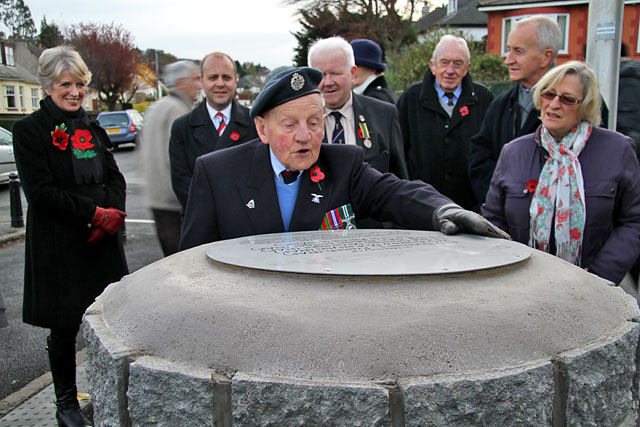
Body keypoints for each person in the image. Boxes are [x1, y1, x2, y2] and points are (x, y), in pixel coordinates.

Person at [180, 67, 509, 249]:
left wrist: (444, 210)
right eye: (290, 125)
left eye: (313, 122)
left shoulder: (342, 165)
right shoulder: (217, 172)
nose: (305, 136)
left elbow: (395, 192)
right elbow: (192, 261)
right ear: (262, 129)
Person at [12, 46, 128, 427]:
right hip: (60, 244)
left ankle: (104, 390)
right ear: (48, 85)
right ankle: (65, 405)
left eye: (80, 84)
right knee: (63, 327)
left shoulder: (91, 124)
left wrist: (111, 215)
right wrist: (93, 214)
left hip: (101, 242)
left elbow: (114, 176)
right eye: (66, 84)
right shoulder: (29, 131)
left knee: (109, 321)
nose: (75, 92)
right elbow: (41, 192)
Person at [482, 61, 640, 286]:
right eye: (548, 94)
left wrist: (597, 278)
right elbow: (493, 220)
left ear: (586, 105)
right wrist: (511, 271)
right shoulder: (514, 152)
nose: (554, 104)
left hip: (599, 288)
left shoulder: (617, 150)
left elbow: (633, 220)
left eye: (567, 99)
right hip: (523, 285)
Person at [469, 16, 565, 205]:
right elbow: (479, 156)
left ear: (546, 56)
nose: (508, 60)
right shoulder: (500, 105)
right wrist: (504, 197)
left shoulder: (576, 105)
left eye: (518, 51)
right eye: (508, 50)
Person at [398, 35, 493, 211]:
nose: (450, 70)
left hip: (470, 206)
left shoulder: (484, 99)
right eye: (444, 62)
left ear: (467, 69)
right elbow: (399, 153)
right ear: (432, 66)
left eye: (458, 64)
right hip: (421, 205)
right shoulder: (411, 98)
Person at [307, 37, 408, 180]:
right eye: (321, 75)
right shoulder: (300, 121)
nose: (328, 82)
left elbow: (400, 181)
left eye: (335, 73)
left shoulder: (384, 115)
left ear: (353, 73)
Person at [169, 51, 258, 211]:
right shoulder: (182, 128)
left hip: (246, 219)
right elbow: (181, 183)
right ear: (202, 81)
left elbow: (261, 177)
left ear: (236, 80)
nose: (220, 83)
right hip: (202, 221)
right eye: (213, 77)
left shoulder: (255, 123)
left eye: (226, 77)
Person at [140, 60, 200, 256]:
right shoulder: (178, 110)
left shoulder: (157, 107)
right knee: (184, 261)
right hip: (175, 201)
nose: (199, 85)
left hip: (157, 197)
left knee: (170, 256)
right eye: (195, 79)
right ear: (181, 82)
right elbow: (180, 159)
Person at [350, 39, 397, 104]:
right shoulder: (373, 93)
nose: (351, 71)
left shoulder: (376, 98)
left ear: (372, 68)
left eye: (357, 66)